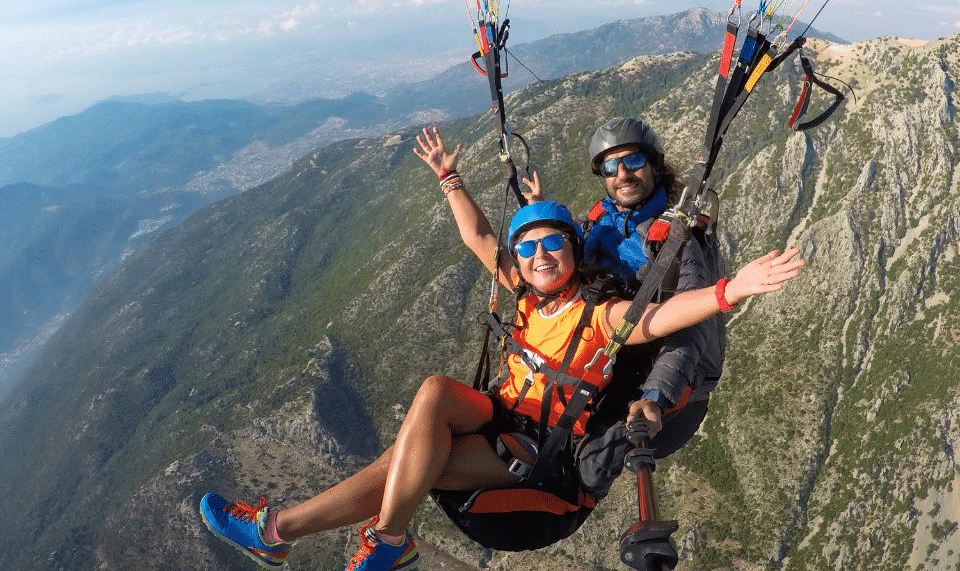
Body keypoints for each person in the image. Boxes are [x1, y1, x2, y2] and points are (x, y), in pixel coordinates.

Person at [198, 127, 804, 571]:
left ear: (574, 253)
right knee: (432, 397)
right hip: (500, 412)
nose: (540, 256)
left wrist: (729, 290)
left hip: (539, 451)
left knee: (405, 465)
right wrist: (448, 176)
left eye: (553, 247)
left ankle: (332, 535)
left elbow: (663, 318)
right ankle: (304, 534)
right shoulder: (522, 291)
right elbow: (479, 235)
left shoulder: (598, 314)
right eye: (530, 248)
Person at [524, 117, 725, 495]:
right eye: (610, 167)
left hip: (663, 376)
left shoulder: (678, 240)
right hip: (616, 351)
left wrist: (653, 397)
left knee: (589, 468)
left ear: (653, 166)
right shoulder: (602, 221)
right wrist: (540, 216)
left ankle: (565, 503)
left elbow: (691, 327)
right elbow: (570, 268)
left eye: (632, 162)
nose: (622, 174)